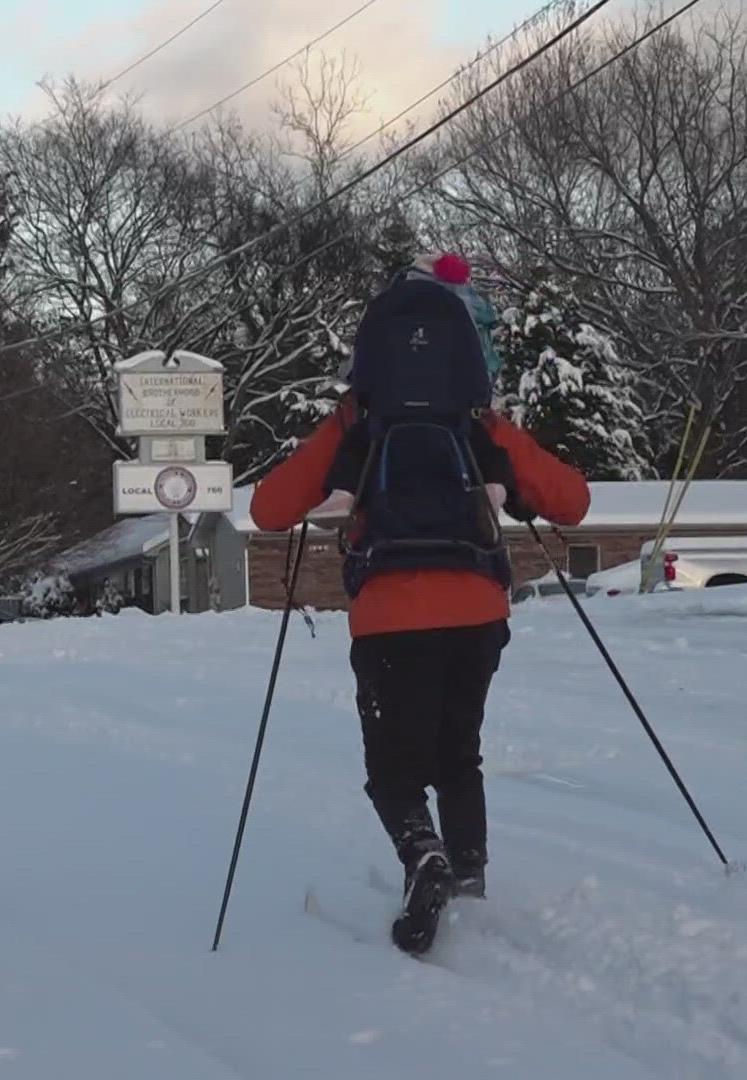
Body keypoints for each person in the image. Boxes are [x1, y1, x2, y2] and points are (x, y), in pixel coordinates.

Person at [251, 252, 590, 954]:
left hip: (389, 620)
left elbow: (270, 509)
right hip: (476, 614)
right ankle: (469, 878)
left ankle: (421, 852)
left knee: (393, 773)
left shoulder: (358, 420)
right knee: (458, 753)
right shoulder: (475, 422)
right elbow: (574, 503)